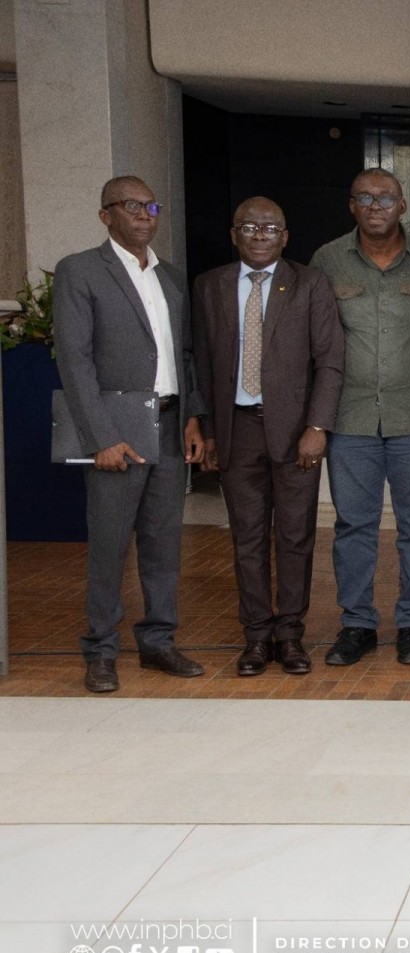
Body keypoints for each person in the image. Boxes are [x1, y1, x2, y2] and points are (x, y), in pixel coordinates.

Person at [52, 175, 207, 693]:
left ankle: (158, 642)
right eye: (132, 206)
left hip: (167, 423)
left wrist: (191, 417)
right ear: (106, 215)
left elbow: (183, 354)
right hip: (117, 430)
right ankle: (100, 649)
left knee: (163, 544)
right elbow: (74, 362)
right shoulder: (81, 271)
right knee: (110, 545)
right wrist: (100, 438)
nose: (145, 214)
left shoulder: (171, 278)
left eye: (151, 206)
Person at [193, 197, 344, 677]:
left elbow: (331, 360)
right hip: (237, 429)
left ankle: (290, 636)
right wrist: (208, 428)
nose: (260, 234)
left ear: (286, 236)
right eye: (250, 226)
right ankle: (257, 637)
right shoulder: (209, 285)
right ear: (234, 233)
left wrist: (317, 426)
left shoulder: (310, 283)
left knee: (296, 536)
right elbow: (198, 361)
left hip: (297, 431)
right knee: (248, 538)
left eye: (270, 227)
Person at [310, 168, 410, 668]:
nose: (375, 206)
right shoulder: (327, 259)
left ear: (403, 205)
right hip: (351, 419)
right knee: (353, 526)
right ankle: (357, 624)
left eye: (385, 198)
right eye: (364, 197)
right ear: (351, 205)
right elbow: (317, 340)